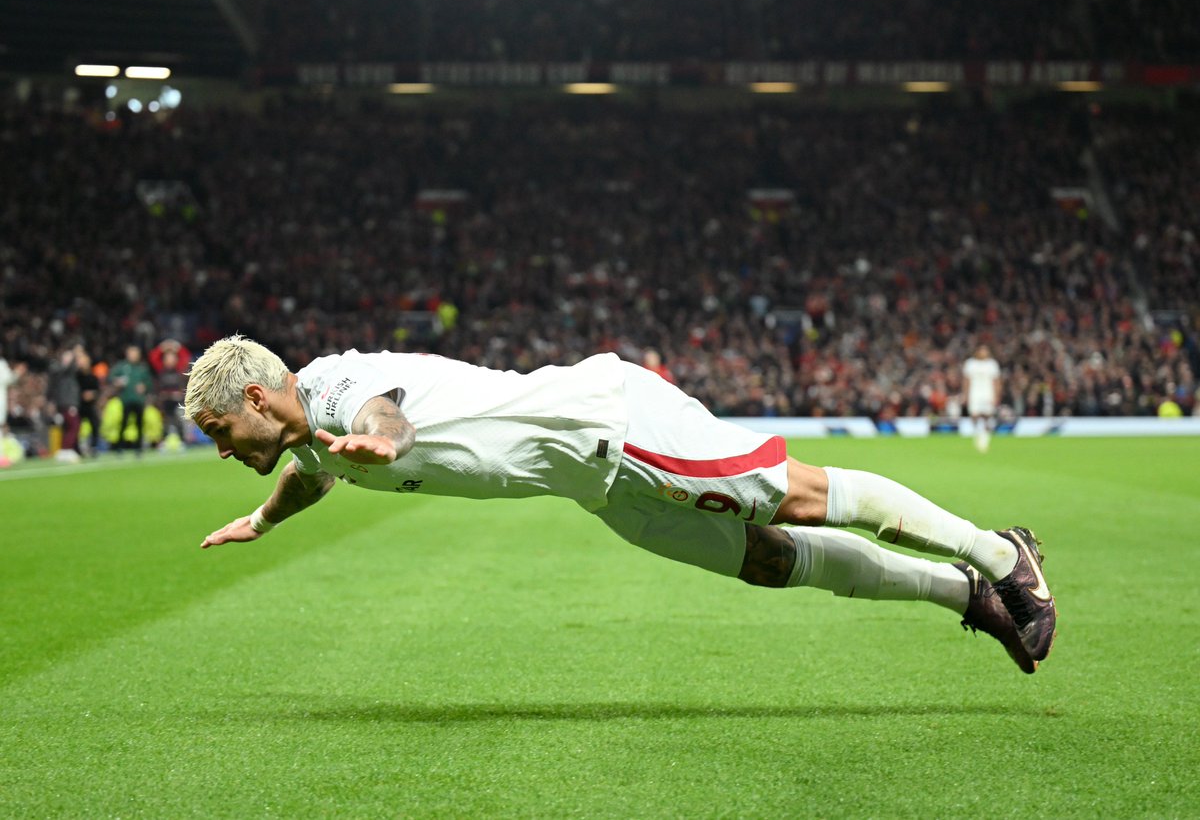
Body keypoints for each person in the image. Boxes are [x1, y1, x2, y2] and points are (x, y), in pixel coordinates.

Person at [186, 336, 1057, 674]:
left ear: (259, 399)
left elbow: (383, 413)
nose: (224, 450)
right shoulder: (305, 436)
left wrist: (388, 440)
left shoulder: (338, 389)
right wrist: (263, 518)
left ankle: (999, 551)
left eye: (224, 430)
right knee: (766, 560)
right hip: (597, 485)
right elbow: (312, 469)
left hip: (612, 423)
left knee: (797, 496)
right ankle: (967, 596)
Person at [109, 344, 154, 454]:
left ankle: (138, 447)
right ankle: (120, 446)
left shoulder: (142, 368)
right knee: (124, 422)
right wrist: (117, 382)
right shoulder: (122, 366)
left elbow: (149, 382)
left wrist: (144, 387)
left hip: (139, 400)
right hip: (126, 400)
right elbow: (111, 377)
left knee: (139, 423)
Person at [962, 345, 1002, 453]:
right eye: (982, 350)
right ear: (977, 351)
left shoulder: (992, 364)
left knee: (987, 416)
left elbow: (997, 381)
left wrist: (996, 396)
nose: (984, 353)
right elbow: (966, 381)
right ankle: (977, 433)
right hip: (974, 393)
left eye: (986, 350)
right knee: (974, 415)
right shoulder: (970, 363)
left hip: (988, 393)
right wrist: (965, 395)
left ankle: (985, 437)